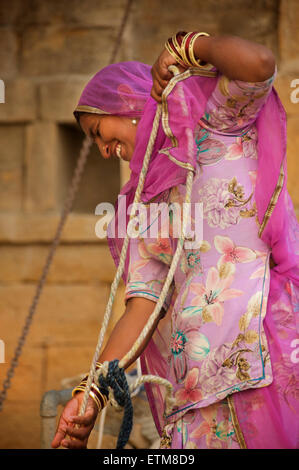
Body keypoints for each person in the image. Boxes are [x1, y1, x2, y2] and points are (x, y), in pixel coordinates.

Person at [52, 32, 299, 450]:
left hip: (267, 357)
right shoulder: (147, 204)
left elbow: (258, 65)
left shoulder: (218, 123)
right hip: (197, 386)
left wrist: (187, 46)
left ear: (126, 102)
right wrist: (89, 392)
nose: (103, 150)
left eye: (98, 131)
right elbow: (143, 304)